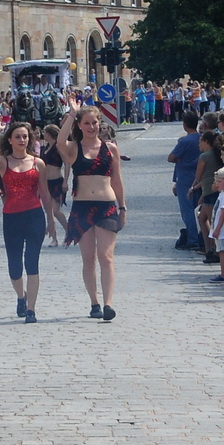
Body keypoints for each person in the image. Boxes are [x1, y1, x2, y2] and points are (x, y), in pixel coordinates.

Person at [57, 96, 126, 320]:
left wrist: (122, 207)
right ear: (80, 125)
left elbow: (117, 180)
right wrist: (71, 113)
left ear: (100, 123)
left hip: (106, 205)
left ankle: (108, 303)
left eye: (94, 122)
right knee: (88, 259)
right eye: (86, 123)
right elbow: (59, 141)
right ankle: (94, 302)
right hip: (82, 207)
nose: (91, 127)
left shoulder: (111, 149)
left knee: (106, 256)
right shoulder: (73, 148)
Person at [0, 120, 55, 322]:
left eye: (25, 136)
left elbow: (45, 194)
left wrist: (50, 220)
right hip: (12, 217)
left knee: (32, 263)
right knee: (14, 267)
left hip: (34, 216)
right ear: (11, 140)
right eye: (17, 137)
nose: (22, 140)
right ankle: (21, 297)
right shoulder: (3, 162)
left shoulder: (37, 163)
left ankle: (31, 309)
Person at [168, 114, 204, 251]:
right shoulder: (201, 138)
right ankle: (200, 236)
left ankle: (192, 239)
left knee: (187, 210)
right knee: (198, 206)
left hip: (185, 178)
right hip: (199, 176)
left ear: (185, 124)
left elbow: (171, 158)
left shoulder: (184, 141)